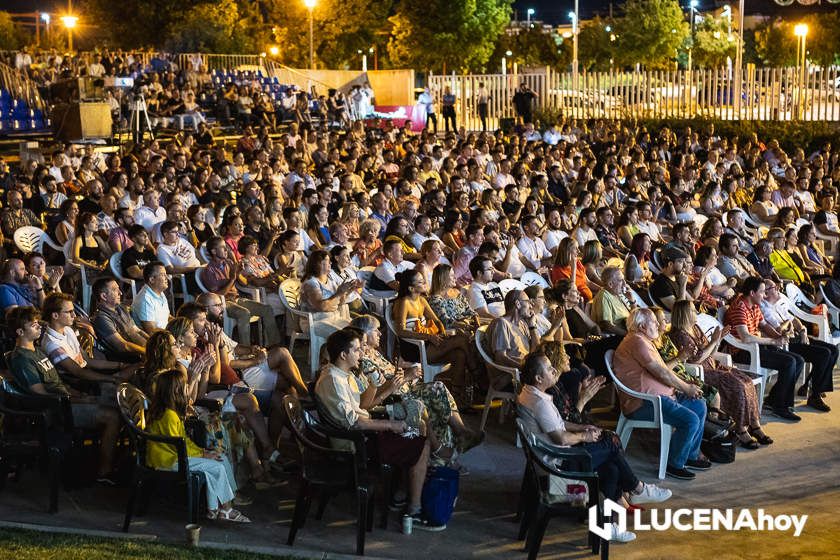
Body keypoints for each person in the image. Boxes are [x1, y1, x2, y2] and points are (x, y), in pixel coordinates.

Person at [517, 350, 671, 542]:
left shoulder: (530, 392)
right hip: (559, 470)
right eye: (549, 369)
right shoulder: (540, 403)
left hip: (550, 461)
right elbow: (561, 439)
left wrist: (582, 426)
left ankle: (611, 523)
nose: (554, 370)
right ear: (539, 378)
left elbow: (559, 423)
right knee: (610, 445)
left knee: (612, 468)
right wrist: (585, 436)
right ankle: (636, 489)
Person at [315, 328, 442, 531]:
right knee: (421, 444)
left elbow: (362, 408)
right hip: (356, 443)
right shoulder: (333, 380)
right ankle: (415, 510)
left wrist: (385, 390)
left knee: (417, 428)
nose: (361, 353)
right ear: (343, 354)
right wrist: (392, 425)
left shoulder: (341, 374)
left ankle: (403, 492)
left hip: (363, 433)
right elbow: (355, 422)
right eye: (356, 349)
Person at [6, 306, 122, 485]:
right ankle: (104, 472)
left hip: (67, 400)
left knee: (117, 402)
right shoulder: (22, 359)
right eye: (33, 325)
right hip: (58, 411)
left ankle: (101, 459)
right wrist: (78, 399)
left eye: (38, 323)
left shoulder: (36, 351)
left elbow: (56, 383)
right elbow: (41, 394)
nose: (39, 327)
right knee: (112, 416)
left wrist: (78, 393)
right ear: (20, 331)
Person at [351, 315, 484, 466]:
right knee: (436, 391)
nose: (380, 333)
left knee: (439, 391)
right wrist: (407, 377)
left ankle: (455, 440)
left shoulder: (374, 353)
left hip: (405, 389)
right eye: (376, 331)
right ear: (365, 334)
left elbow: (389, 376)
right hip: (396, 397)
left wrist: (403, 370)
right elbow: (379, 389)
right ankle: (448, 446)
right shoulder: (365, 362)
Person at [613, 307, 710, 480]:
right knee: (690, 420)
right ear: (642, 326)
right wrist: (686, 388)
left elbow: (664, 370)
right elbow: (661, 372)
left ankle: (690, 455)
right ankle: (674, 463)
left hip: (662, 398)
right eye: (654, 321)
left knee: (699, 405)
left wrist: (684, 386)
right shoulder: (637, 341)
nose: (658, 324)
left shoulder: (645, 340)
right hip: (645, 403)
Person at [146, 368, 250, 523]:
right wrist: (203, 454)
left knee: (219, 458)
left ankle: (215, 509)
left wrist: (203, 451)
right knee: (217, 466)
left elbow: (183, 442)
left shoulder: (170, 412)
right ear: (176, 390)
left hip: (174, 456)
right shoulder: (168, 415)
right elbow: (179, 446)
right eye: (186, 385)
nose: (188, 388)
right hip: (167, 461)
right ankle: (227, 509)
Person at [668, 300, 772, 448]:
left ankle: (755, 425)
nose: (696, 311)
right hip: (700, 371)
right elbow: (695, 360)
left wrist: (717, 341)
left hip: (712, 365)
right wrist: (713, 341)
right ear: (684, 314)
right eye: (692, 310)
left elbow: (712, 352)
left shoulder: (695, 328)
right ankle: (741, 429)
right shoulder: (679, 334)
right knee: (736, 385)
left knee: (746, 380)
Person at [723, 276, 804, 421]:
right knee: (789, 362)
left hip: (756, 347)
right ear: (752, 293)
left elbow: (764, 325)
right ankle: (780, 407)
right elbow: (745, 337)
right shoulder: (739, 307)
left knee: (798, 360)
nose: (765, 295)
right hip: (742, 351)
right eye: (762, 292)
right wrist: (773, 341)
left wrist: (780, 336)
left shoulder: (754, 305)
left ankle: (774, 400)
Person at [391, 269, 476, 400]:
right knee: (462, 339)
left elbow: (437, 321)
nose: (425, 282)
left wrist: (442, 333)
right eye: (420, 281)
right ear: (411, 288)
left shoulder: (422, 300)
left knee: (459, 354)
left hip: (429, 344)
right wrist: (429, 336)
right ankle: (476, 373)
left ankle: (456, 396)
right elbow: (400, 331)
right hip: (414, 348)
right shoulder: (404, 302)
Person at [759, 280, 835, 412]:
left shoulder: (777, 304)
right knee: (824, 354)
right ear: (765, 294)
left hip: (796, 337)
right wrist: (789, 324)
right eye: (774, 287)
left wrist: (803, 330)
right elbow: (781, 330)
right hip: (787, 343)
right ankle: (814, 395)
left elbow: (793, 319)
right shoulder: (765, 309)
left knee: (833, 350)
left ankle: (811, 387)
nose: (778, 288)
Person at [200, 236, 281, 346]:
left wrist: (238, 273)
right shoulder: (209, 271)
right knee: (244, 313)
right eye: (223, 248)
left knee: (266, 309)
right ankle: (245, 349)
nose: (226, 250)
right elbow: (217, 296)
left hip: (237, 298)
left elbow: (244, 283)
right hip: (223, 303)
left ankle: (273, 345)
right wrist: (233, 278)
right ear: (214, 251)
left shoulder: (228, 263)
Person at [41, 292, 138, 383]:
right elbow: (78, 372)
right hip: (79, 382)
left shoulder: (67, 330)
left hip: (88, 372)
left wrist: (121, 365)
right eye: (69, 312)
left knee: (137, 367)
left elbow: (87, 361)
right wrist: (113, 379)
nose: (74, 315)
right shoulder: (52, 344)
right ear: (55, 315)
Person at [91, 277, 148, 362]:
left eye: (119, 289)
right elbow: (122, 345)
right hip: (131, 359)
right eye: (115, 290)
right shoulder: (102, 318)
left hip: (144, 351)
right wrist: (147, 351)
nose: (120, 293)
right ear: (104, 296)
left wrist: (153, 342)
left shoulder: (120, 308)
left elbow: (137, 330)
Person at [428, 264, 478, 332]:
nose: (455, 277)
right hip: (455, 331)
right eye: (452, 275)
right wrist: (468, 327)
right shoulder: (435, 300)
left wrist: (477, 322)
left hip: (469, 324)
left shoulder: (457, 292)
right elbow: (446, 321)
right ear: (443, 278)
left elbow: (470, 311)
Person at [131, 261, 172, 333]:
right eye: (163, 275)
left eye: (166, 274)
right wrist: (173, 334)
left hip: (166, 334)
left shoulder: (160, 293)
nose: (167, 277)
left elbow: (168, 317)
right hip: (158, 340)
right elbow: (151, 331)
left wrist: (181, 325)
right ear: (152, 279)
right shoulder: (145, 299)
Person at [649, 246, 691, 311]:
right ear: (670, 264)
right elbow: (679, 310)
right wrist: (683, 286)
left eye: (684, 262)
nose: (685, 265)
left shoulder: (677, 277)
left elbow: (690, 300)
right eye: (681, 262)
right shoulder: (661, 284)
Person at [466, 256, 505, 320]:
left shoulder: (494, 285)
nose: (493, 272)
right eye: (489, 269)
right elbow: (484, 314)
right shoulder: (474, 291)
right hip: (494, 325)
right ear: (479, 273)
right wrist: (504, 321)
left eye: (493, 269)